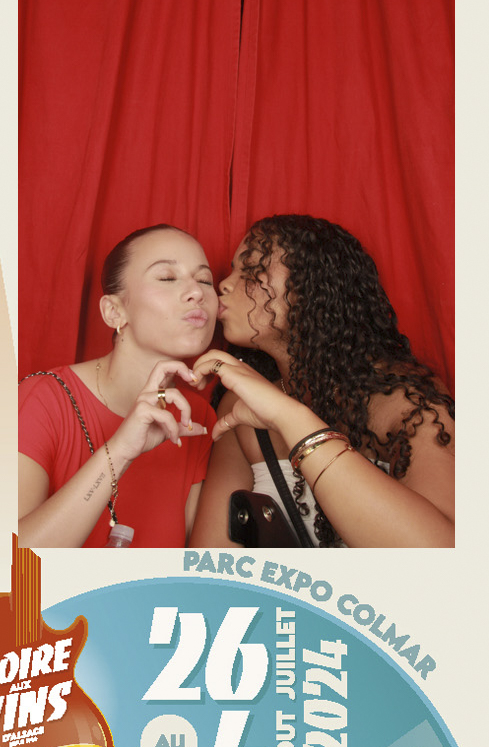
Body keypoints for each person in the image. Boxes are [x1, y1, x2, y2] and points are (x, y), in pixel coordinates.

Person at [189, 215, 454, 548]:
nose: (225, 285)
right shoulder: (240, 407)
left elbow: (444, 557)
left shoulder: (405, 400)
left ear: (311, 288)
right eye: (232, 270)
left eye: (253, 269)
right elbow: (213, 562)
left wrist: (288, 417)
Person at [18, 225, 217, 547]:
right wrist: (120, 450)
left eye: (205, 280)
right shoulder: (42, 399)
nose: (197, 292)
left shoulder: (198, 417)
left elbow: (199, 564)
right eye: (167, 277)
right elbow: (11, 567)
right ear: (114, 312)